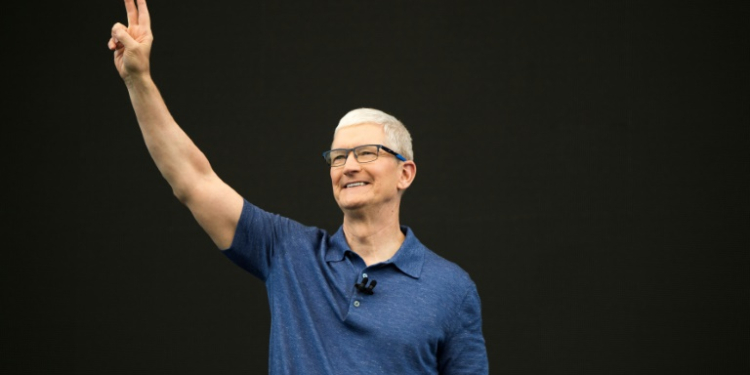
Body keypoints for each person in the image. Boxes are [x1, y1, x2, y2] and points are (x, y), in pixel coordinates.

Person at [108, 0, 489, 373]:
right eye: (338, 157)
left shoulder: (451, 289)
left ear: (405, 173)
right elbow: (193, 180)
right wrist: (139, 80)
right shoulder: (288, 252)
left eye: (367, 153)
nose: (349, 166)